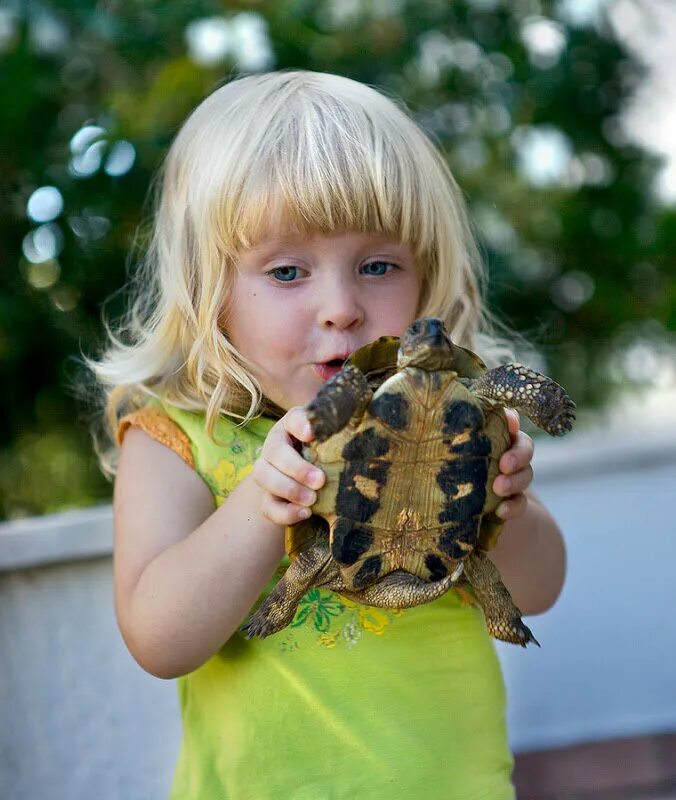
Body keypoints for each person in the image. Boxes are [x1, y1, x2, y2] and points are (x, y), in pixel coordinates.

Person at [91, 70, 566, 799]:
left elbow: (540, 589)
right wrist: (260, 504)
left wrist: (512, 510)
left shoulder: (445, 407)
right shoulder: (179, 439)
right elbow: (161, 640)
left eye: (378, 266)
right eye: (287, 272)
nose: (341, 307)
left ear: (424, 275)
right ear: (208, 288)